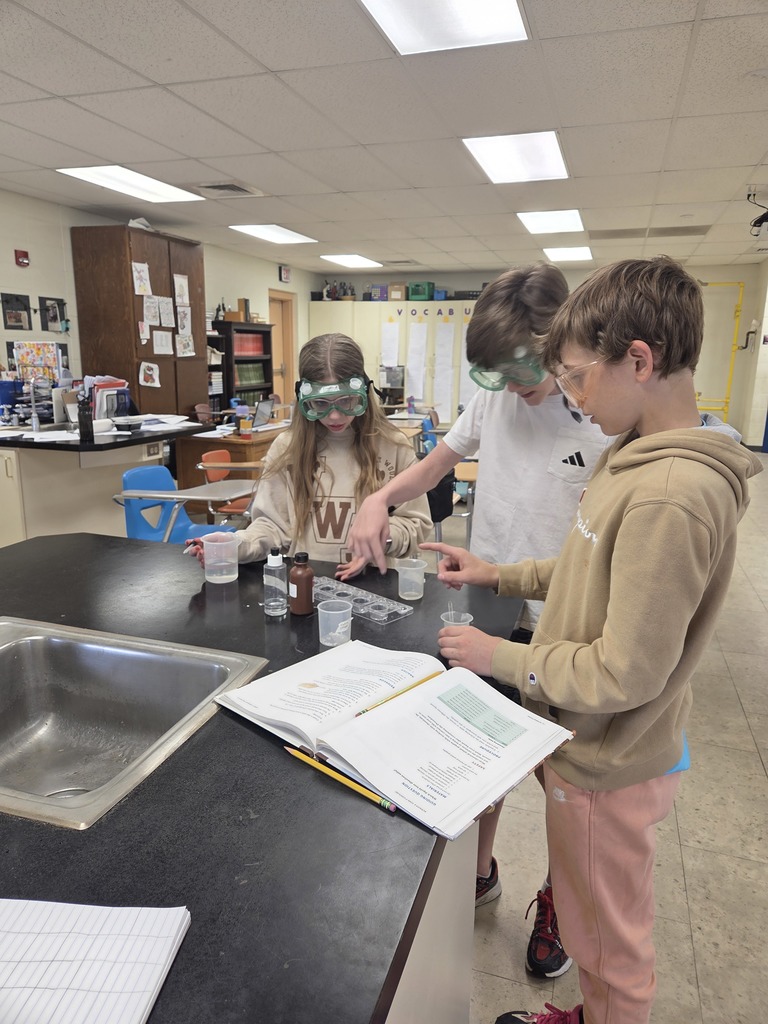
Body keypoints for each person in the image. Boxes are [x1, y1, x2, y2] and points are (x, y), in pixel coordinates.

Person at [425, 256, 763, 1024]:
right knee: (587, 913)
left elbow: (623, 671)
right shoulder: (630, 456)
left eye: (576, 376)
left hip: (610, 756)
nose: (570, 395)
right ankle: (593, 1012)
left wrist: (498, 657)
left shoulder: (669, 496)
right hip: (587, 741)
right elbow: (583, 565)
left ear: (637, 361)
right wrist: (499, 576)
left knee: (610, 940)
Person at [348, 263, 610, 979]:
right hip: (489, 601)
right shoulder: (495, 400)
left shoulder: (601, 407)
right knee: (483, 750)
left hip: (569, 618)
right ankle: (480, 866)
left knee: (565, 780)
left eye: (528, 371)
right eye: (500, 376)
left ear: (563, 345)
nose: (518, 390)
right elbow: (436, 465)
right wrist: (379, 498)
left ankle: (560, 896)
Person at [188, 333, 431, 577]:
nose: (334, 416)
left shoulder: (393, 446)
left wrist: (381, 539)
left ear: (364, 394)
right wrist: (235, 545)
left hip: (374, 586)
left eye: (347, 401)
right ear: (304, 401)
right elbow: (271, 526)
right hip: (305, 583)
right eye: (321, 404)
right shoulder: (287, 448)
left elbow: (415, 522)